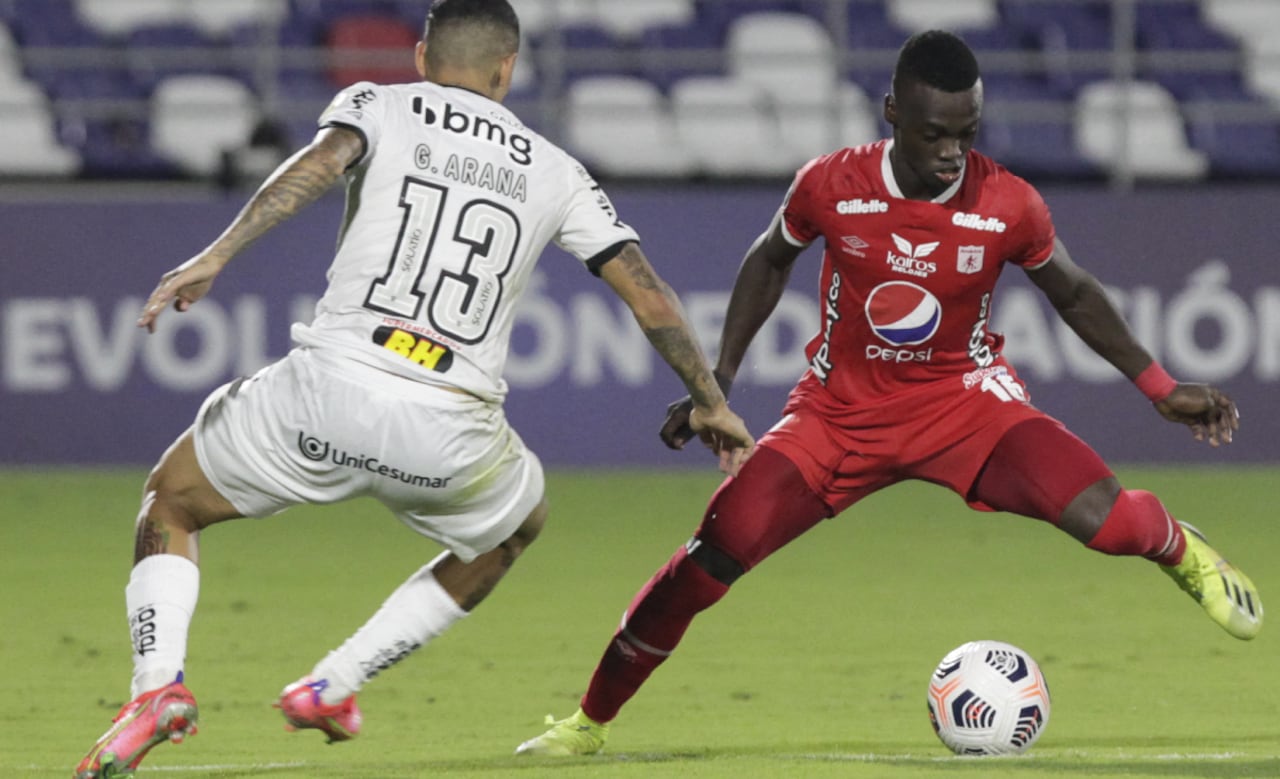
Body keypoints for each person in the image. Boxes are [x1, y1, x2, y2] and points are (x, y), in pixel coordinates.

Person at [515, 29, 1262, 757]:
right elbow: (769, 261)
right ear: (892, 114)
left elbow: (1072, 291)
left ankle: (1178, 545)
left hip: (965, 405)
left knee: (1106, 522)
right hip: (838, 416)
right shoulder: (831, 184)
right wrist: (717, 387)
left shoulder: (1008, 202)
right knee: (716, 552)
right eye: (936, 133)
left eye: (967, 133)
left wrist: (1159, 386)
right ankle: (588, 720)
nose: (952, 153)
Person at [72, 1, 754, 776]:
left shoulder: (380, 104)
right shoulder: (557, 169)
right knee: (515, 525)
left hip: (325, 393)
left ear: (424, 55)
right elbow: (651, 296)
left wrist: (218, 252)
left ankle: (156, 689)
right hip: (448, 427)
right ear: (508, 69)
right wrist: (710, 398)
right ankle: (335, 681)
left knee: (172, 500)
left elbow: (319, 165)